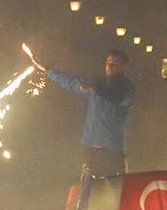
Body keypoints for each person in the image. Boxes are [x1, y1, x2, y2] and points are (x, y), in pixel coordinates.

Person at [31, 48, 135, 177]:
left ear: (123, 67)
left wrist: (95, 88)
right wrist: (47, 69)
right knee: (90, 190)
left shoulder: (126, 88)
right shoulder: (97, 84)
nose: (109, 66)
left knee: (116, 190)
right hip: (90, 147)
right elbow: (71, 82)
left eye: (114, 63)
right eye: (108, 62)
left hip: (111, 150)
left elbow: (116, 95)